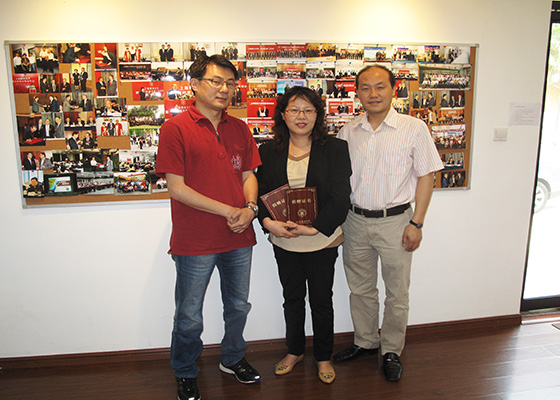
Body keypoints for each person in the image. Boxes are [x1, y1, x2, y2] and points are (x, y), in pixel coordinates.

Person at [155, 54, 262, 400]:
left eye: (230, 83)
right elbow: (177, 188)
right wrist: (230, 210)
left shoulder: (239, 127)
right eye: (216, 81)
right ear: (195, 85)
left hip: (239, 236)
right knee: (189, 315)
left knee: (238, 306)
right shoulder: (175, 128)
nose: (224, 89)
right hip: (195, 239)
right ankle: (185, 370)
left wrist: (249, 209)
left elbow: (248, 175)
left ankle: (232, 358)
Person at [334, 65, 443, 383]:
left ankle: (392, 350)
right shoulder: (348, 131)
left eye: (380, 86)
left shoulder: (413, 128)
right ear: (357, 92)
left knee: (397, 292)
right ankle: (366, 341)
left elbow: (426, 176)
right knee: (360, 288)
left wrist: (417, 223)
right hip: (355, 221)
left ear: (393, 89)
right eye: (365, 87)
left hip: (396, 222)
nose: (373, 94)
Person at [255, 86, 351, 384]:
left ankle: (323, 356)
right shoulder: (267, 151)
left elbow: (341, 195)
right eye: (294, 109)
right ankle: (294, 350)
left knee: (321, 300)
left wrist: (316, 227)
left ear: (318, 115)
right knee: (292, 298)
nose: (301, 116)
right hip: (285, 239)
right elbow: (260, 193)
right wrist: (267, 222)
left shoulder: (335, 149)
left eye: (308, 110)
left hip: (322, 238)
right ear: (283, 115)